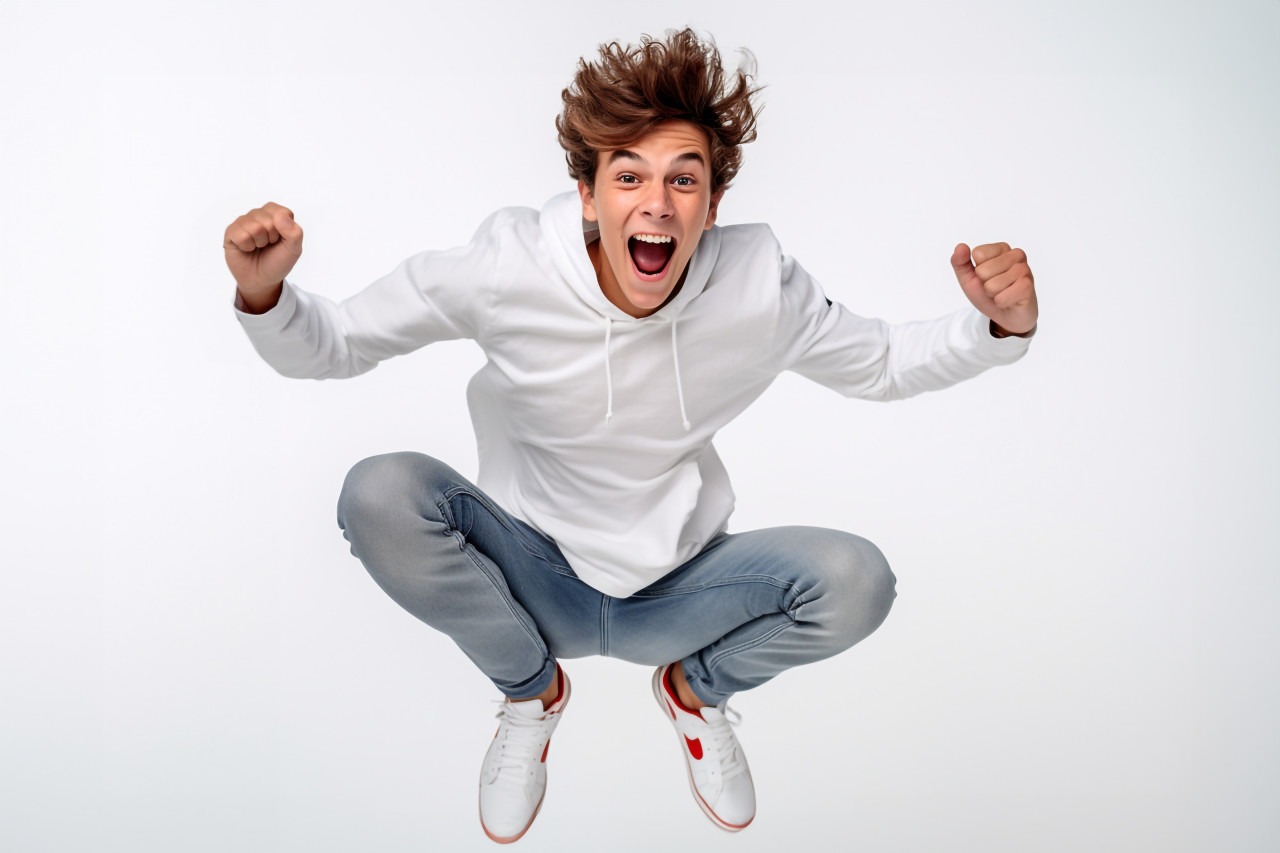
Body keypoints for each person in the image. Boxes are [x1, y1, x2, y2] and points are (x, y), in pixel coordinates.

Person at [223, 28, 1037, 844]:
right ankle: (529, 693)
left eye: (684, 179)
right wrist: (266, 295)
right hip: (530, 578)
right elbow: (338, 343)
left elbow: (886, 363)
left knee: (858, 579)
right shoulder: (508, 267)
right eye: (629, 176)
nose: (657, 202)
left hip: (675, 594)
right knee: (379, 489)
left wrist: (994, 329)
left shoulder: (760, 289)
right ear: (589, 195)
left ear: (713, 206)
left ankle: (696, 691)